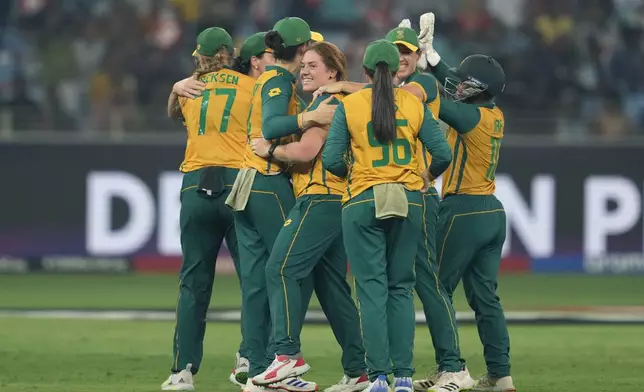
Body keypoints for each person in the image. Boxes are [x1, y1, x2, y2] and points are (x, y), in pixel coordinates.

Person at [312, 22, 468, 389]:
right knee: (401, 288)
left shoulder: (350, 106)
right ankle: (402, 377)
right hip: (409, 198)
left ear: (365, 71)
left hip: (363, 199)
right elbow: (443, 153)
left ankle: (378, 376)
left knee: (371, 289)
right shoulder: (413, 103)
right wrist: (423, 177)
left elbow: (332, 159)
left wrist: (356, 172)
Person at [225, 17, 336, 392]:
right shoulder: (278, 79)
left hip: (248, 182)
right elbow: (272, 127)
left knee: (257, 278)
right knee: (291, 271)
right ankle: (281, 360)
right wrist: (311, 116)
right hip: (268, 181)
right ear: (302, 49)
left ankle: (255, 370)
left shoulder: (274, 78)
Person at [249, 41, 368, 392]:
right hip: (338, 202)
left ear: (333, 72)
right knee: (333, 290)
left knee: (280, 268)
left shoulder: (327, 102)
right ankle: (358, 370)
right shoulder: (344, 99)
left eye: (313, 65)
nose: (304, 70)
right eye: (303, 64)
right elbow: (384, 91)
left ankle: (287, 356)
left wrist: (268, 150)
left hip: (320, 199)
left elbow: (307, 150)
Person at [414, 13, 516, 392]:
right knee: (485, 297)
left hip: (463, 209)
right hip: (491, 211)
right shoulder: (492, 113)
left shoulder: (470, 117)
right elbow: (456, 85)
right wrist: (436, 60)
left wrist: (420, 71)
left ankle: (451, 369)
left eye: (464, 81)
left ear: (475, 88)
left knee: (435, 288)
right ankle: (501, 375)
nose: (458, 85)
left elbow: (438, 100)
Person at [162, 27, 258, 392]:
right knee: (252, 279)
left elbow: (175, 114)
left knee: (193, 283)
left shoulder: (188, 89)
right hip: (239, 184)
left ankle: (182, 372)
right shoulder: (252, 88)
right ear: (230, 53)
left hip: (195, 185)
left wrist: (175, 87)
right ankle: (249, 359)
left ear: (201, 56)